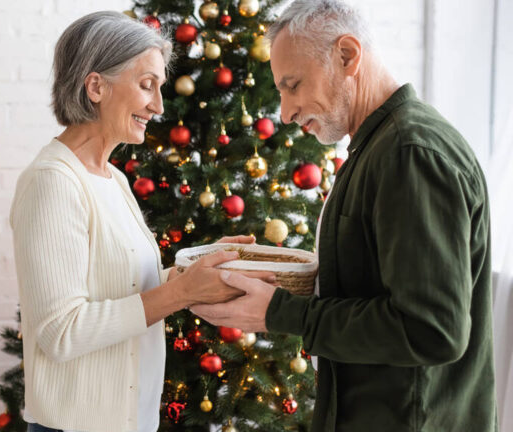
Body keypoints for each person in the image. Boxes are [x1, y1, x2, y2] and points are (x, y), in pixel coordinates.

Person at [191, 1, 498, 431]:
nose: (285, 112)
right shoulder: (379, 148)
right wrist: (274, 278)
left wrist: (281, 313)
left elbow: (432, 329)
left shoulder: (409, 153)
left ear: (347, 56)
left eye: (293, 85)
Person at [10, 11, 274, 432]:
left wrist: (203, 266)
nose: (159, 105)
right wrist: (181, 292)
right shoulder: (52, 182)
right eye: (146, 85)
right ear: (96, 86)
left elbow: (128, 290)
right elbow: (60, 333)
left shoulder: (112, 178)